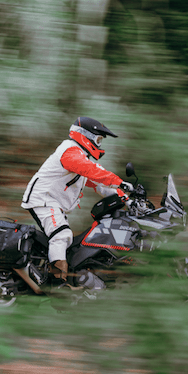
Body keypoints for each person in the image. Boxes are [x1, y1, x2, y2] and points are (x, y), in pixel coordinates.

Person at [21, 117, 133, 288]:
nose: (99, 144)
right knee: (61, 235)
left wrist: (126, 198)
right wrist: (119, 181)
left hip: (52, 202)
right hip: (43, 199)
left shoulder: (81, 156)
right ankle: (58, 283)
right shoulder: (70, 151)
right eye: (98, 139)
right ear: (85, 136)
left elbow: (99, 184)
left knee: (68, 242)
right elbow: (91, 171)